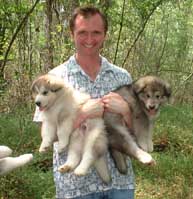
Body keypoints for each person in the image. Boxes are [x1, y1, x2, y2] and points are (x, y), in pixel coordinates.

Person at [34, 6, 135, 199]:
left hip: (120, 185)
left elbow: (136, 133)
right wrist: (81, 116)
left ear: (105, 34)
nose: (89, 40)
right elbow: (47, 135)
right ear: (72, 34)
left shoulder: (122, 77)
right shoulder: (54, 78)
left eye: (96, 32)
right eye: (82, 33)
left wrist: (127, 112)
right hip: (75, 188)